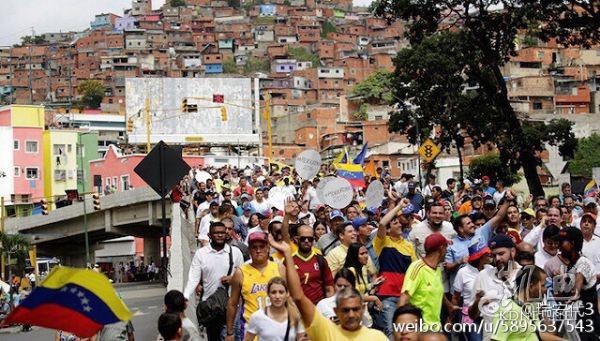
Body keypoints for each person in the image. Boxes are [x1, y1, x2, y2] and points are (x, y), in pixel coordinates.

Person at [269, 236, 388, 340]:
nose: (351, 315)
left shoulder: (377, 337)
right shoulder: (326, 330)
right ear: (336, 311)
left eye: (355, 309)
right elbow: (298, 296)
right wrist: (288, 255)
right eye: (345, 310)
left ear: (362, 309)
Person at [184, 222, 244, 341]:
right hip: (210, 307)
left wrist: (232, 279)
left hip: (232, 306)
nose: (220, 235)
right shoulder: (201, 254)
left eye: (222, 232)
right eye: (216, 233)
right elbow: (193, 278)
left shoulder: (236, 253)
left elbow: (243, 277)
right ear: (209, 235)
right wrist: (185, 295)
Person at [226, 231, 285, 341]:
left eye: (261, 246)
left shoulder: (279, 268)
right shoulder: (240, 272)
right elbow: (232, 303)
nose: (258, 250)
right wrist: (230, 333)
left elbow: (290, 298)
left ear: (267, 248)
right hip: (251, 331)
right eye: (254, 247)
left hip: (277, 329)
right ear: (249, 250)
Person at [543, 227, 600, 339]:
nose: (558, 245)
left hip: (585, 325)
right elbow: (560, 296)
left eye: (561, 242)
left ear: (572, 243)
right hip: (573, 324)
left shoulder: (583, 264)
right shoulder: (571, 265)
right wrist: (558, 281)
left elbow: (575, 292)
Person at [372, 199, 417, 337]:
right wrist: (399, 206)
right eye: (395, 222)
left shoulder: (408, 245)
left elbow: (414, 270)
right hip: (387, 296)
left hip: (405, 295)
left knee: (406, 331)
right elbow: (382, 223)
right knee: (391, 331)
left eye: (399, 222)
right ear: (389, 228)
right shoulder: (383, 242)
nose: (399, 225)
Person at [398, 233, 459, 327]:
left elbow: (438, 290)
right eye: (446, 247)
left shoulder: (437, 269)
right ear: (441, 249)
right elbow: (404, 299)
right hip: (419, 330)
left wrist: (449, 306)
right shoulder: (417, 268)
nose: (447, 251)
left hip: (435, 328)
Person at [470, 235, 521, 339]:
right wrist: (478, 302)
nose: (497, 259)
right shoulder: (483, 275)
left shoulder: (527, 275)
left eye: (501, 254)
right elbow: (472, 315)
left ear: (512, 252)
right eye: (493, 255)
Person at [490, 266, 560, 341]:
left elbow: (538, 334)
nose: (546, 289)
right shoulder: (507, 309)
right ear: (531, 286)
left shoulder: (534, 306)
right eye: (543, 285)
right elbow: (496, 339)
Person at [452, 243, 492, 341]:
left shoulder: (490, 269)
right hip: (472, 318)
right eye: (486, 254)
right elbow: (455, 297)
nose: (489, 255)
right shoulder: (463, 272)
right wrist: (453, 318)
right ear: (480, 258)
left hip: (489, 316)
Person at [292, 224, 334, 304]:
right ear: (296, 239)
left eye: (310, 239)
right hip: (297, 308)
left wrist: (329, 307)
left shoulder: (320, 260)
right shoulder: (289, 261)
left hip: (318, 308)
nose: (307, 241)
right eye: (303, 238)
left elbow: (329, 287)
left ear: (314, 240)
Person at [343, 243, 383, 311]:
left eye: (366, 253)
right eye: (362, 254)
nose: (366, 256)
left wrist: (373, 284)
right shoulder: (350, 271)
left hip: (363, 309)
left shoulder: (363, 268)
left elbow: (362, 288)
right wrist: (373, 298)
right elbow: (352, 296)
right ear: (355, 256)